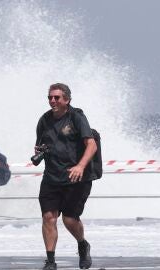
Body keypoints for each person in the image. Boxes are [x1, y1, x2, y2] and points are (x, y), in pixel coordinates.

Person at [35, 83, 97, 270]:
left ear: (67, 100)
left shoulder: (76, 117)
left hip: (76, 177)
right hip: (52, 177)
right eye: (50, 97)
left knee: (69, 219)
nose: (52, 101)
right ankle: (51, 261)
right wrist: (39, 150)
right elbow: (39, 144)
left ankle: (82, 244)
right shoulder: (44, 120)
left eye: (57, 98)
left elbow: (91, 145)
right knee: (48, 217)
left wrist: (80, 166)